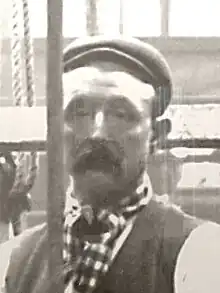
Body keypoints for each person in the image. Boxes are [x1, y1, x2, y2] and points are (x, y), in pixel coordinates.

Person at [1, 37, 220, 293]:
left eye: (121, 115)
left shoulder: (200, 253)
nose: (97, 133)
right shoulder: (11, 263)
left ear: (156, 136)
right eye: (79, 113)